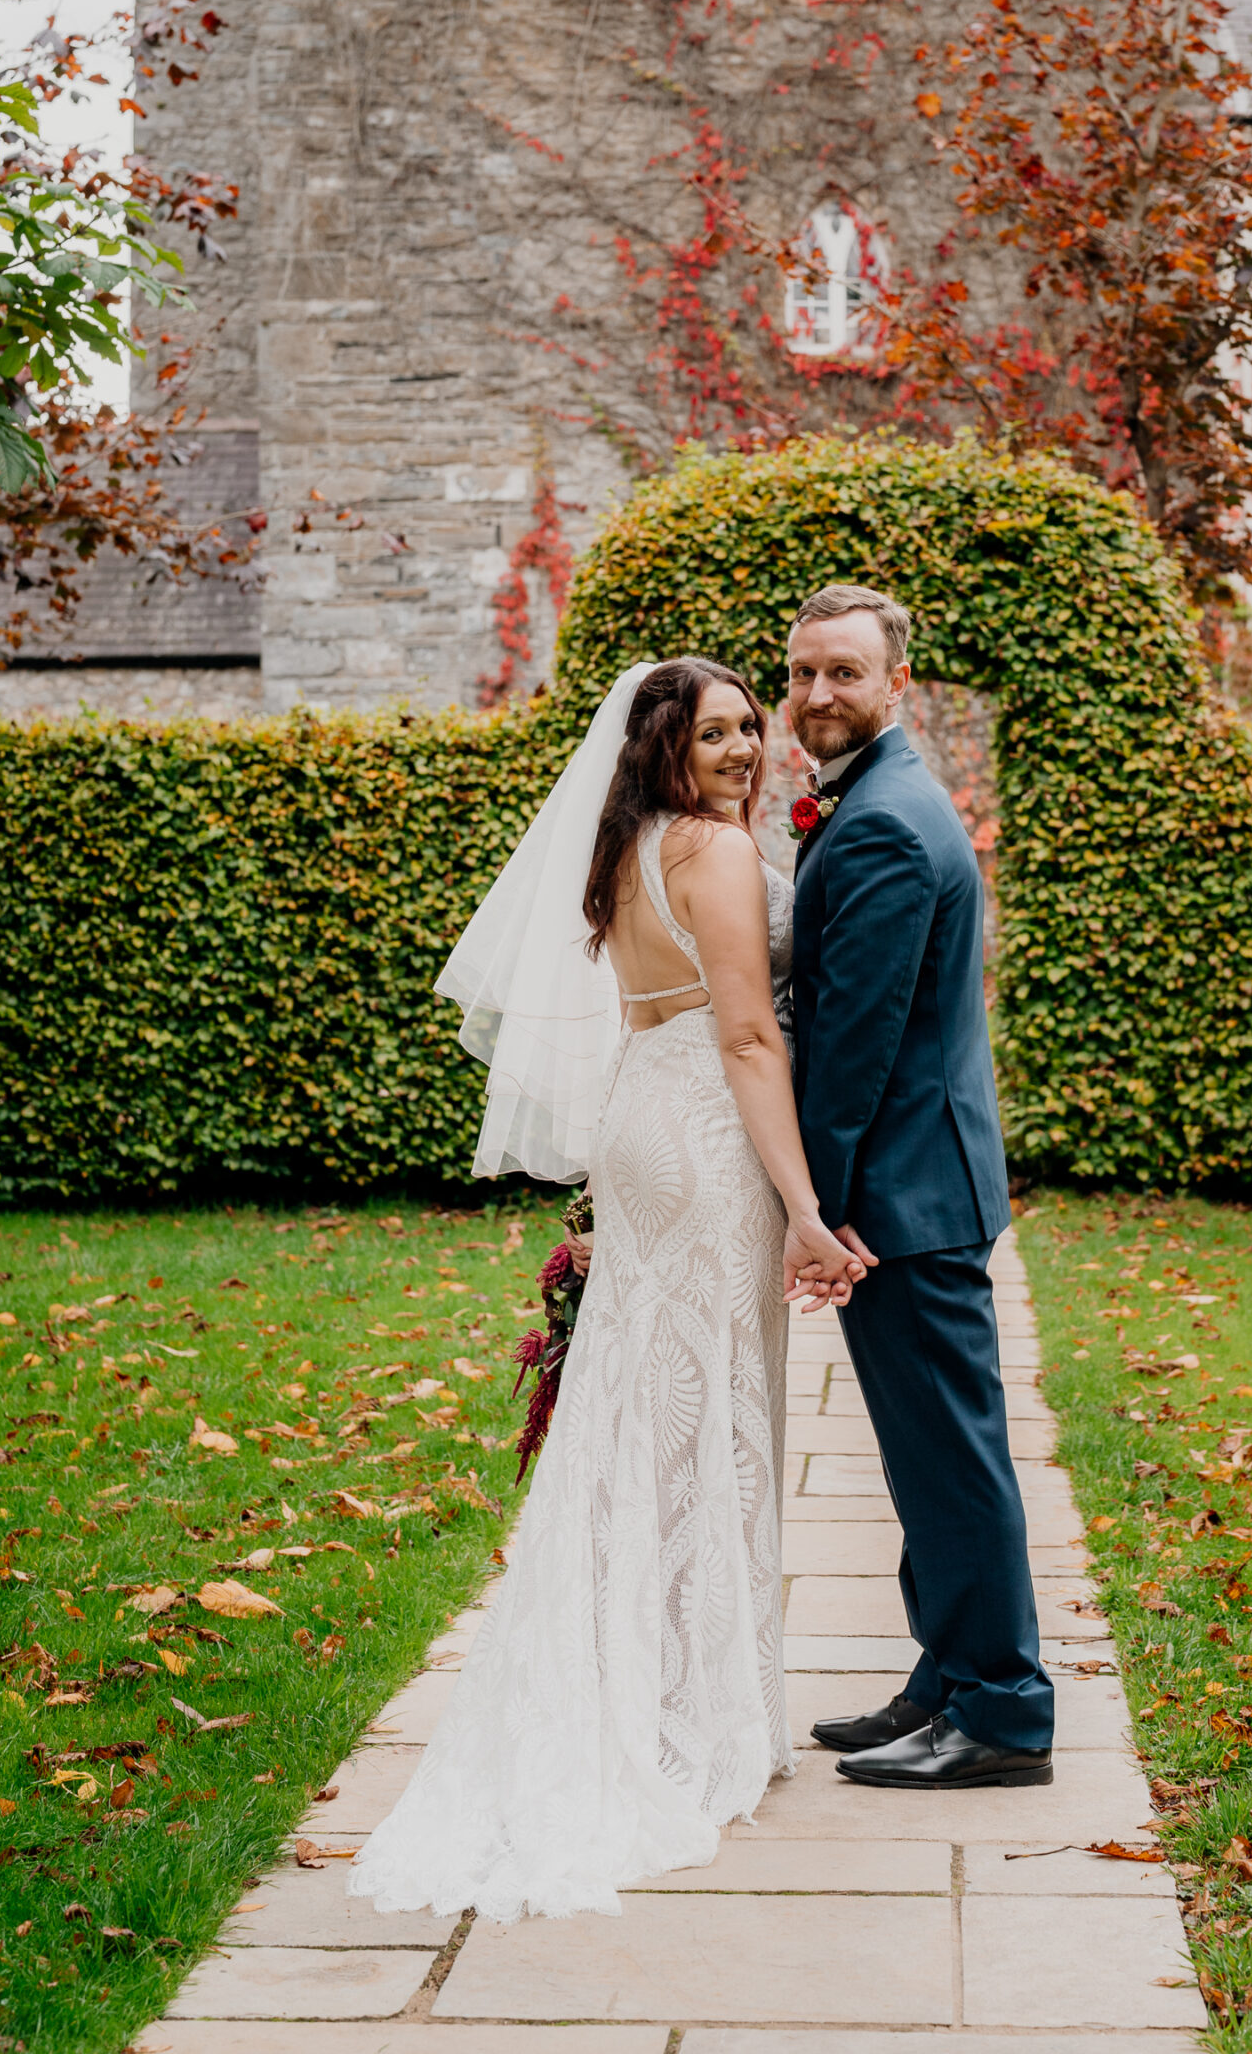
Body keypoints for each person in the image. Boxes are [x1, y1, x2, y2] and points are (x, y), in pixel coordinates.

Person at [348, 658, 866, 1923]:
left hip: (645, 1117)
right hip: (702, 1134)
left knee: (644, 1403)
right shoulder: (718, 854)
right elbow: (748, 1038)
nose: (747, 748)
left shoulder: (625, 842)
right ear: (663, 747)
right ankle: (685, 1705)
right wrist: (804, 1209)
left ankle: (638, 1669)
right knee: (707, 1409)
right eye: (718, 733)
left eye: (752, 727)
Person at [787, 584, 1055, 1788]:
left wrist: (816, 1209)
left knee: (951, 1457)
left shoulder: (889, 822)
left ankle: (1002, 1710)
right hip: (914, 1187)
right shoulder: (882, 800)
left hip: (900, 1197)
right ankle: (946, 1677)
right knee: (926, 1454)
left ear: (896, 683)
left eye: (843, 671)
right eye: (801, 672)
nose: (816, 694)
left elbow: (856, 1044)